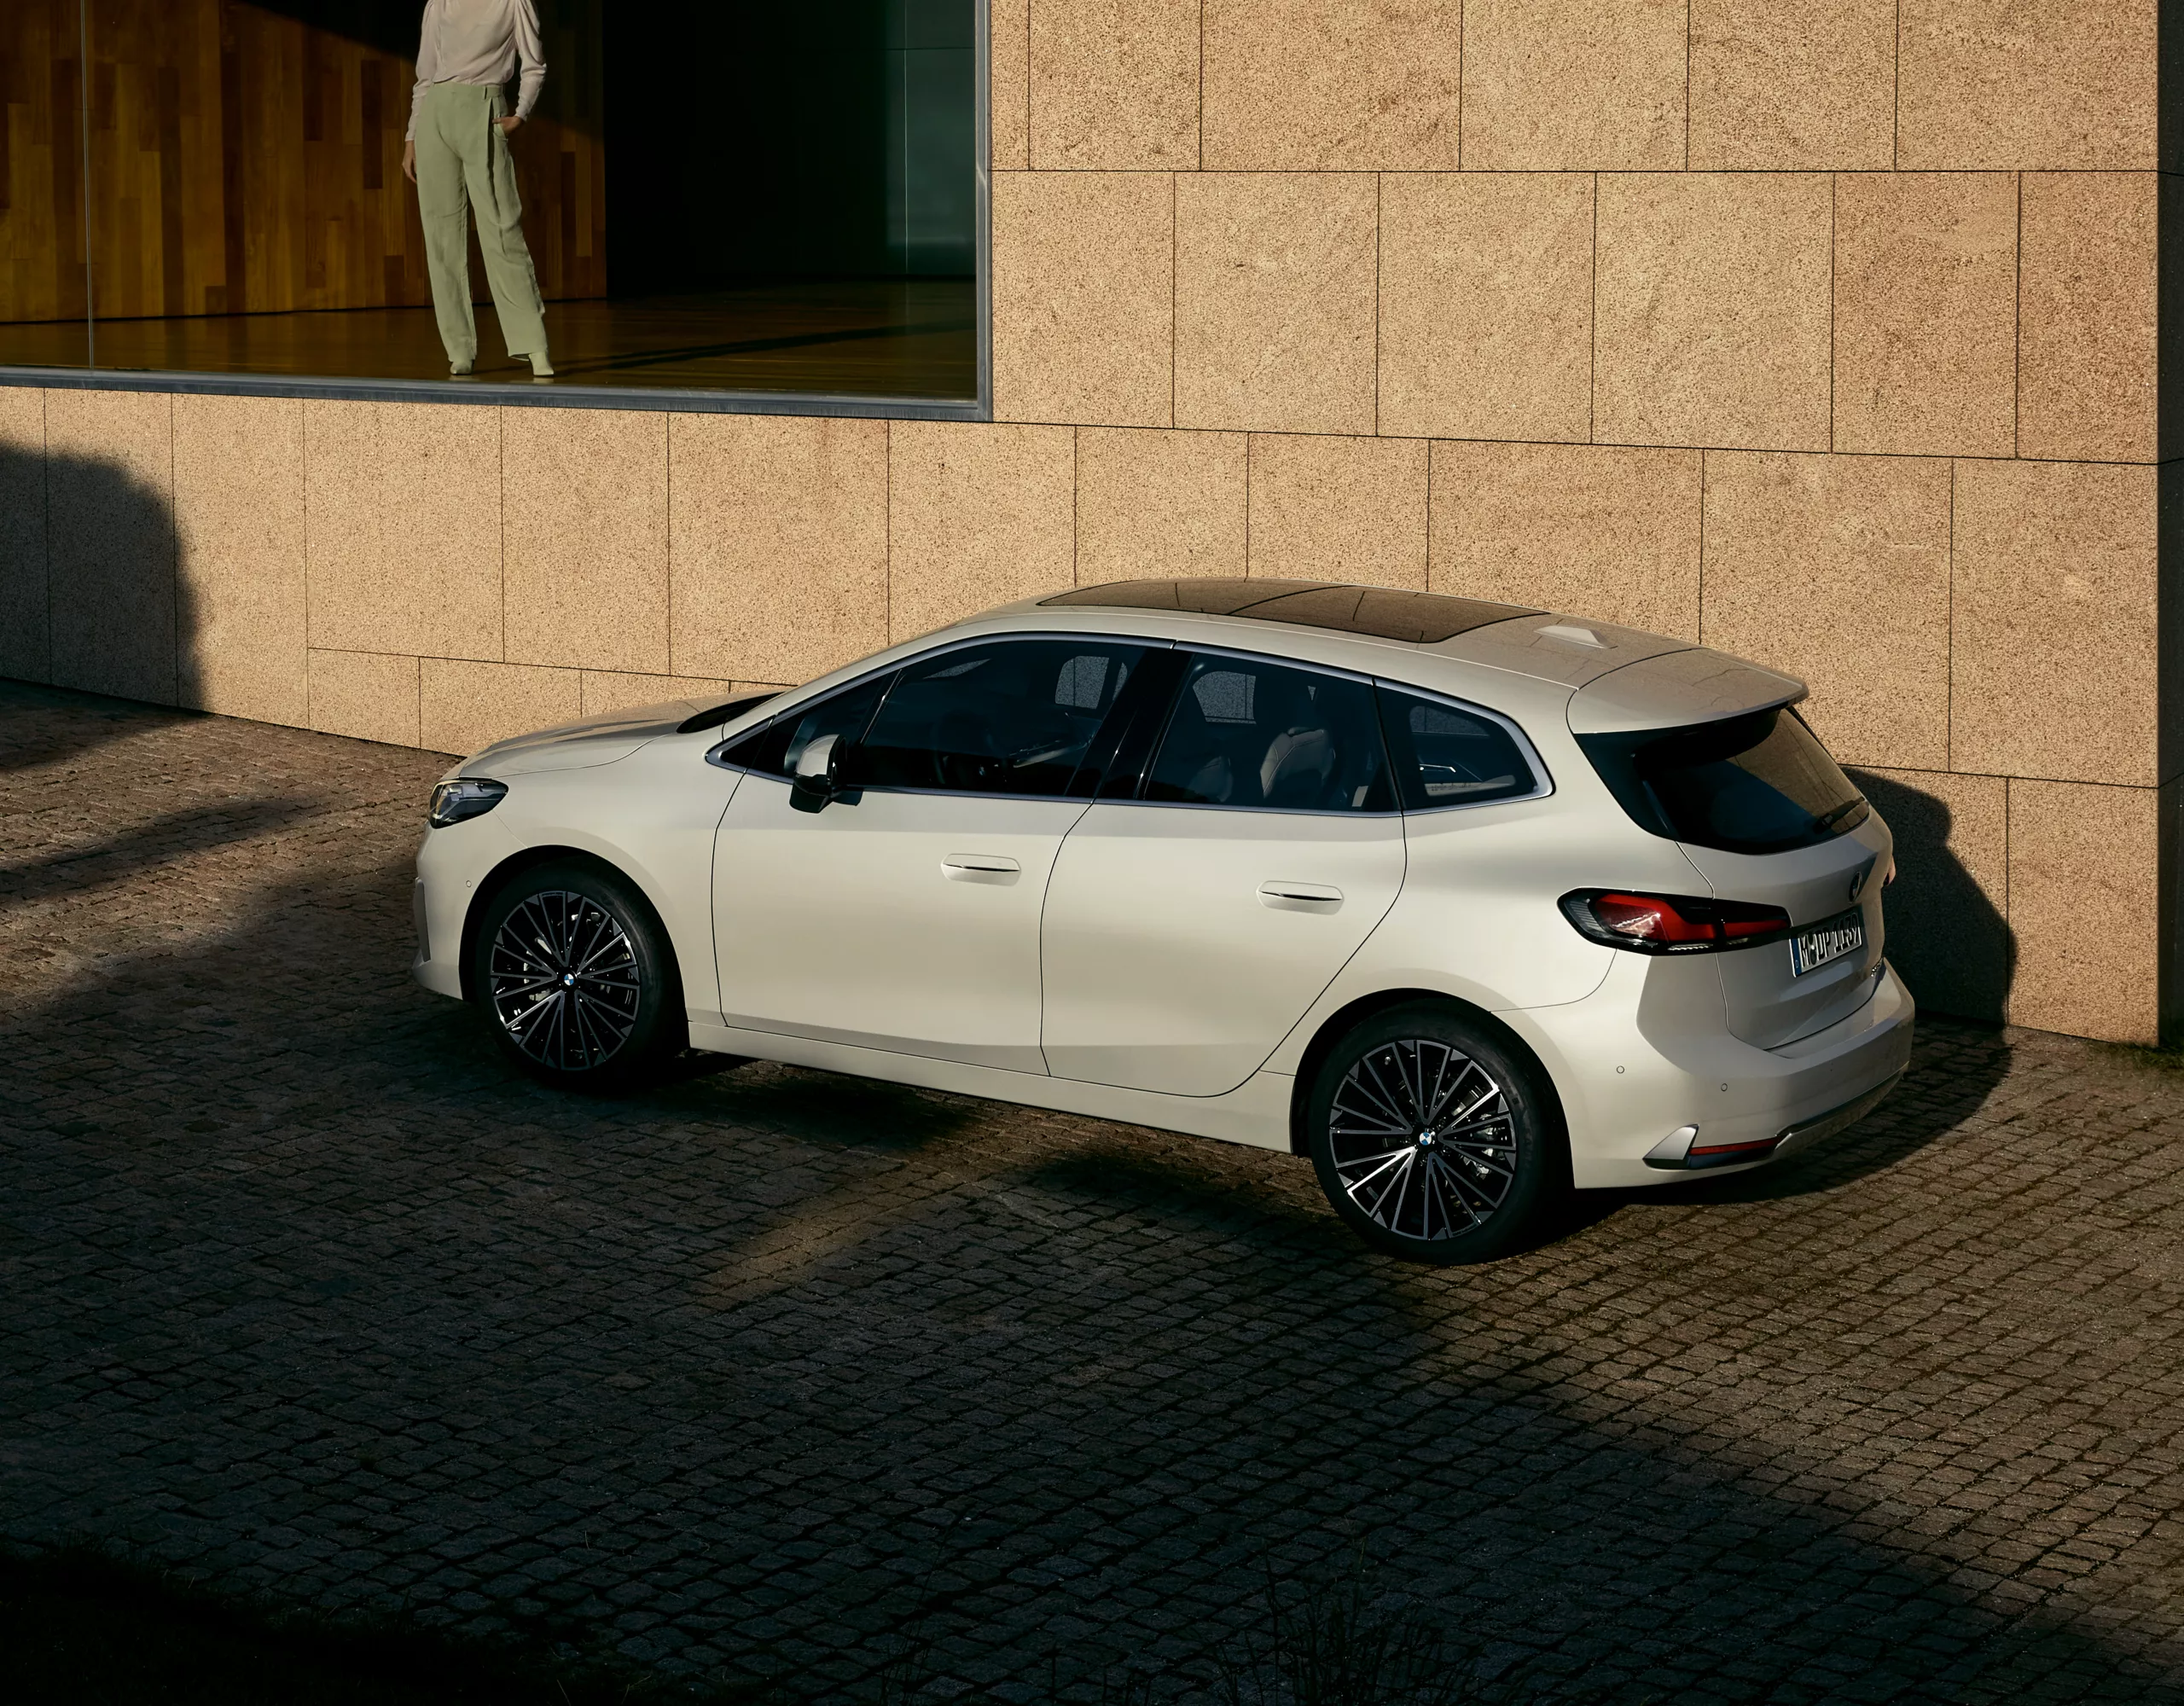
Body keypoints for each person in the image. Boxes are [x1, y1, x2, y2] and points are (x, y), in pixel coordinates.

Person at [401, 0, 554, 379]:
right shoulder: (439, 3)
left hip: (484, 109)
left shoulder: (513, 2)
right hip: (436, 115)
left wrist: (521, 114)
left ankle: (534, 345)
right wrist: (411, 137)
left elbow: (534, 65)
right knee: (441, 239)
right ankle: (459, 349)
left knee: (502, 231)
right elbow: (426, 76)